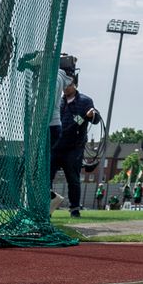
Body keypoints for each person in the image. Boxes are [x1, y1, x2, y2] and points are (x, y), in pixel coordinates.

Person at [50, 57, 100, 218]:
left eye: (69, 84)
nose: (65, 87)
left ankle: (74, 209)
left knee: (73, 179)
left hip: (73, 148)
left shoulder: (85, 101)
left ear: (75, 84)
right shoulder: (58, 99)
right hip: (55, 145)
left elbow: (94, 119)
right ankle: (48, 206)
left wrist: (91, 115)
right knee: (46, 177)